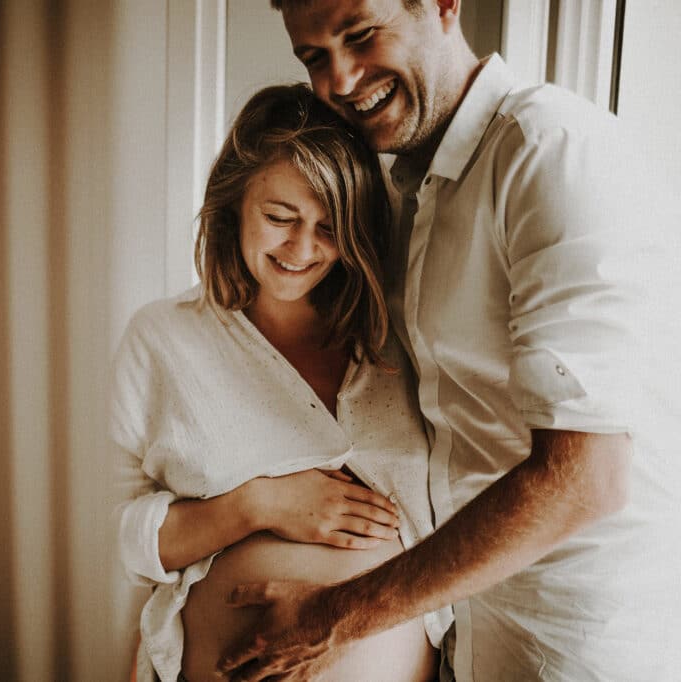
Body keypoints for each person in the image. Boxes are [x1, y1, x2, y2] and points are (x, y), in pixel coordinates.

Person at [217, 1, 681, 680]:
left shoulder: (547, 151)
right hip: (476, 632)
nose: (340, 80)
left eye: (360, 35)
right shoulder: (402, 193)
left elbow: (585, 477)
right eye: (314, 56)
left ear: (443, 5)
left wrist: (332, 617)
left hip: (582, 645)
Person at [112, 84, 451, 682]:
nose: (301, 249)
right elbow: (115, 537)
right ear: (234, 203)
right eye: (279, 218)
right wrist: (256, 505)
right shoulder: (162, 339)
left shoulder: (402, 339)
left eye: (329, 227)